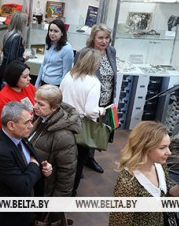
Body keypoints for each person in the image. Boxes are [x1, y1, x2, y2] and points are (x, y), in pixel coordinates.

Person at [108, 121, 179, 226]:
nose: (169, 152)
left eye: (168, 146)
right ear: (145, 148)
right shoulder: (128, 183)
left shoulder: (160, 167)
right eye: (162, 148)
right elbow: (118, 222)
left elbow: (165, 197)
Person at [0, 101, 52, 226]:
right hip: (7, 218)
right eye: (27, 122)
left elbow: (30, 158)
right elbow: (24, 186)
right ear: (11, 125)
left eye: (31, 121)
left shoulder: (18, 135)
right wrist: (35, 166)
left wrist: (43, 167)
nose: (31, 126)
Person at [59, 47, 104, 196]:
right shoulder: (93, 82)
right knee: (78, 162)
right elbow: (91, 111)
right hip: (79, 126)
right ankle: (71, 192)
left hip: (62, 121)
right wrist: (102, 111)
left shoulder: (69, 75)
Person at [29, 85, 80, 197]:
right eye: (35, 101)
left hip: (43, 189)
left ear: (54, 108)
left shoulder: (64, 136)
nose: (34, 106)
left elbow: (66, 174)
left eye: (41, 104)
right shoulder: (39, 117)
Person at [81, 23, 118, 174]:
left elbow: (112, 75)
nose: (104, 41)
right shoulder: (85, 53)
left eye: (107, 38)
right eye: (100, 38)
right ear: (93, 38)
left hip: (106, 99)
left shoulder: (111, 51)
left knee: (97, 131)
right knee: (85, 131)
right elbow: (79, 76)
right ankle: (79, 162)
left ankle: (89, 158)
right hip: (90, 99)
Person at [0, 61, 36, 136]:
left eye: (28, 75)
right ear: (15, 78)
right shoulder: (3, 98)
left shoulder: (28, 87)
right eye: (25, 77)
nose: (29, 78)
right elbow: (9, 126)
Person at [35, 19, 73, 87]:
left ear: (62, 33)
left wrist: (60, 91)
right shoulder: (49, 44)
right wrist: (37, 84)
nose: (52, 33)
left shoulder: (67, 49)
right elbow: (43, 65)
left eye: (56, 31)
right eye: (50, 30)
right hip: (43, 83)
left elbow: (66, 74)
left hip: (55, 86)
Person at [0, 11, 28, 88]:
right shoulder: (17, 38)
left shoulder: (8, 34)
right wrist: (23, 58)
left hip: (4, 68)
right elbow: (13, 59)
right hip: (11, 72)